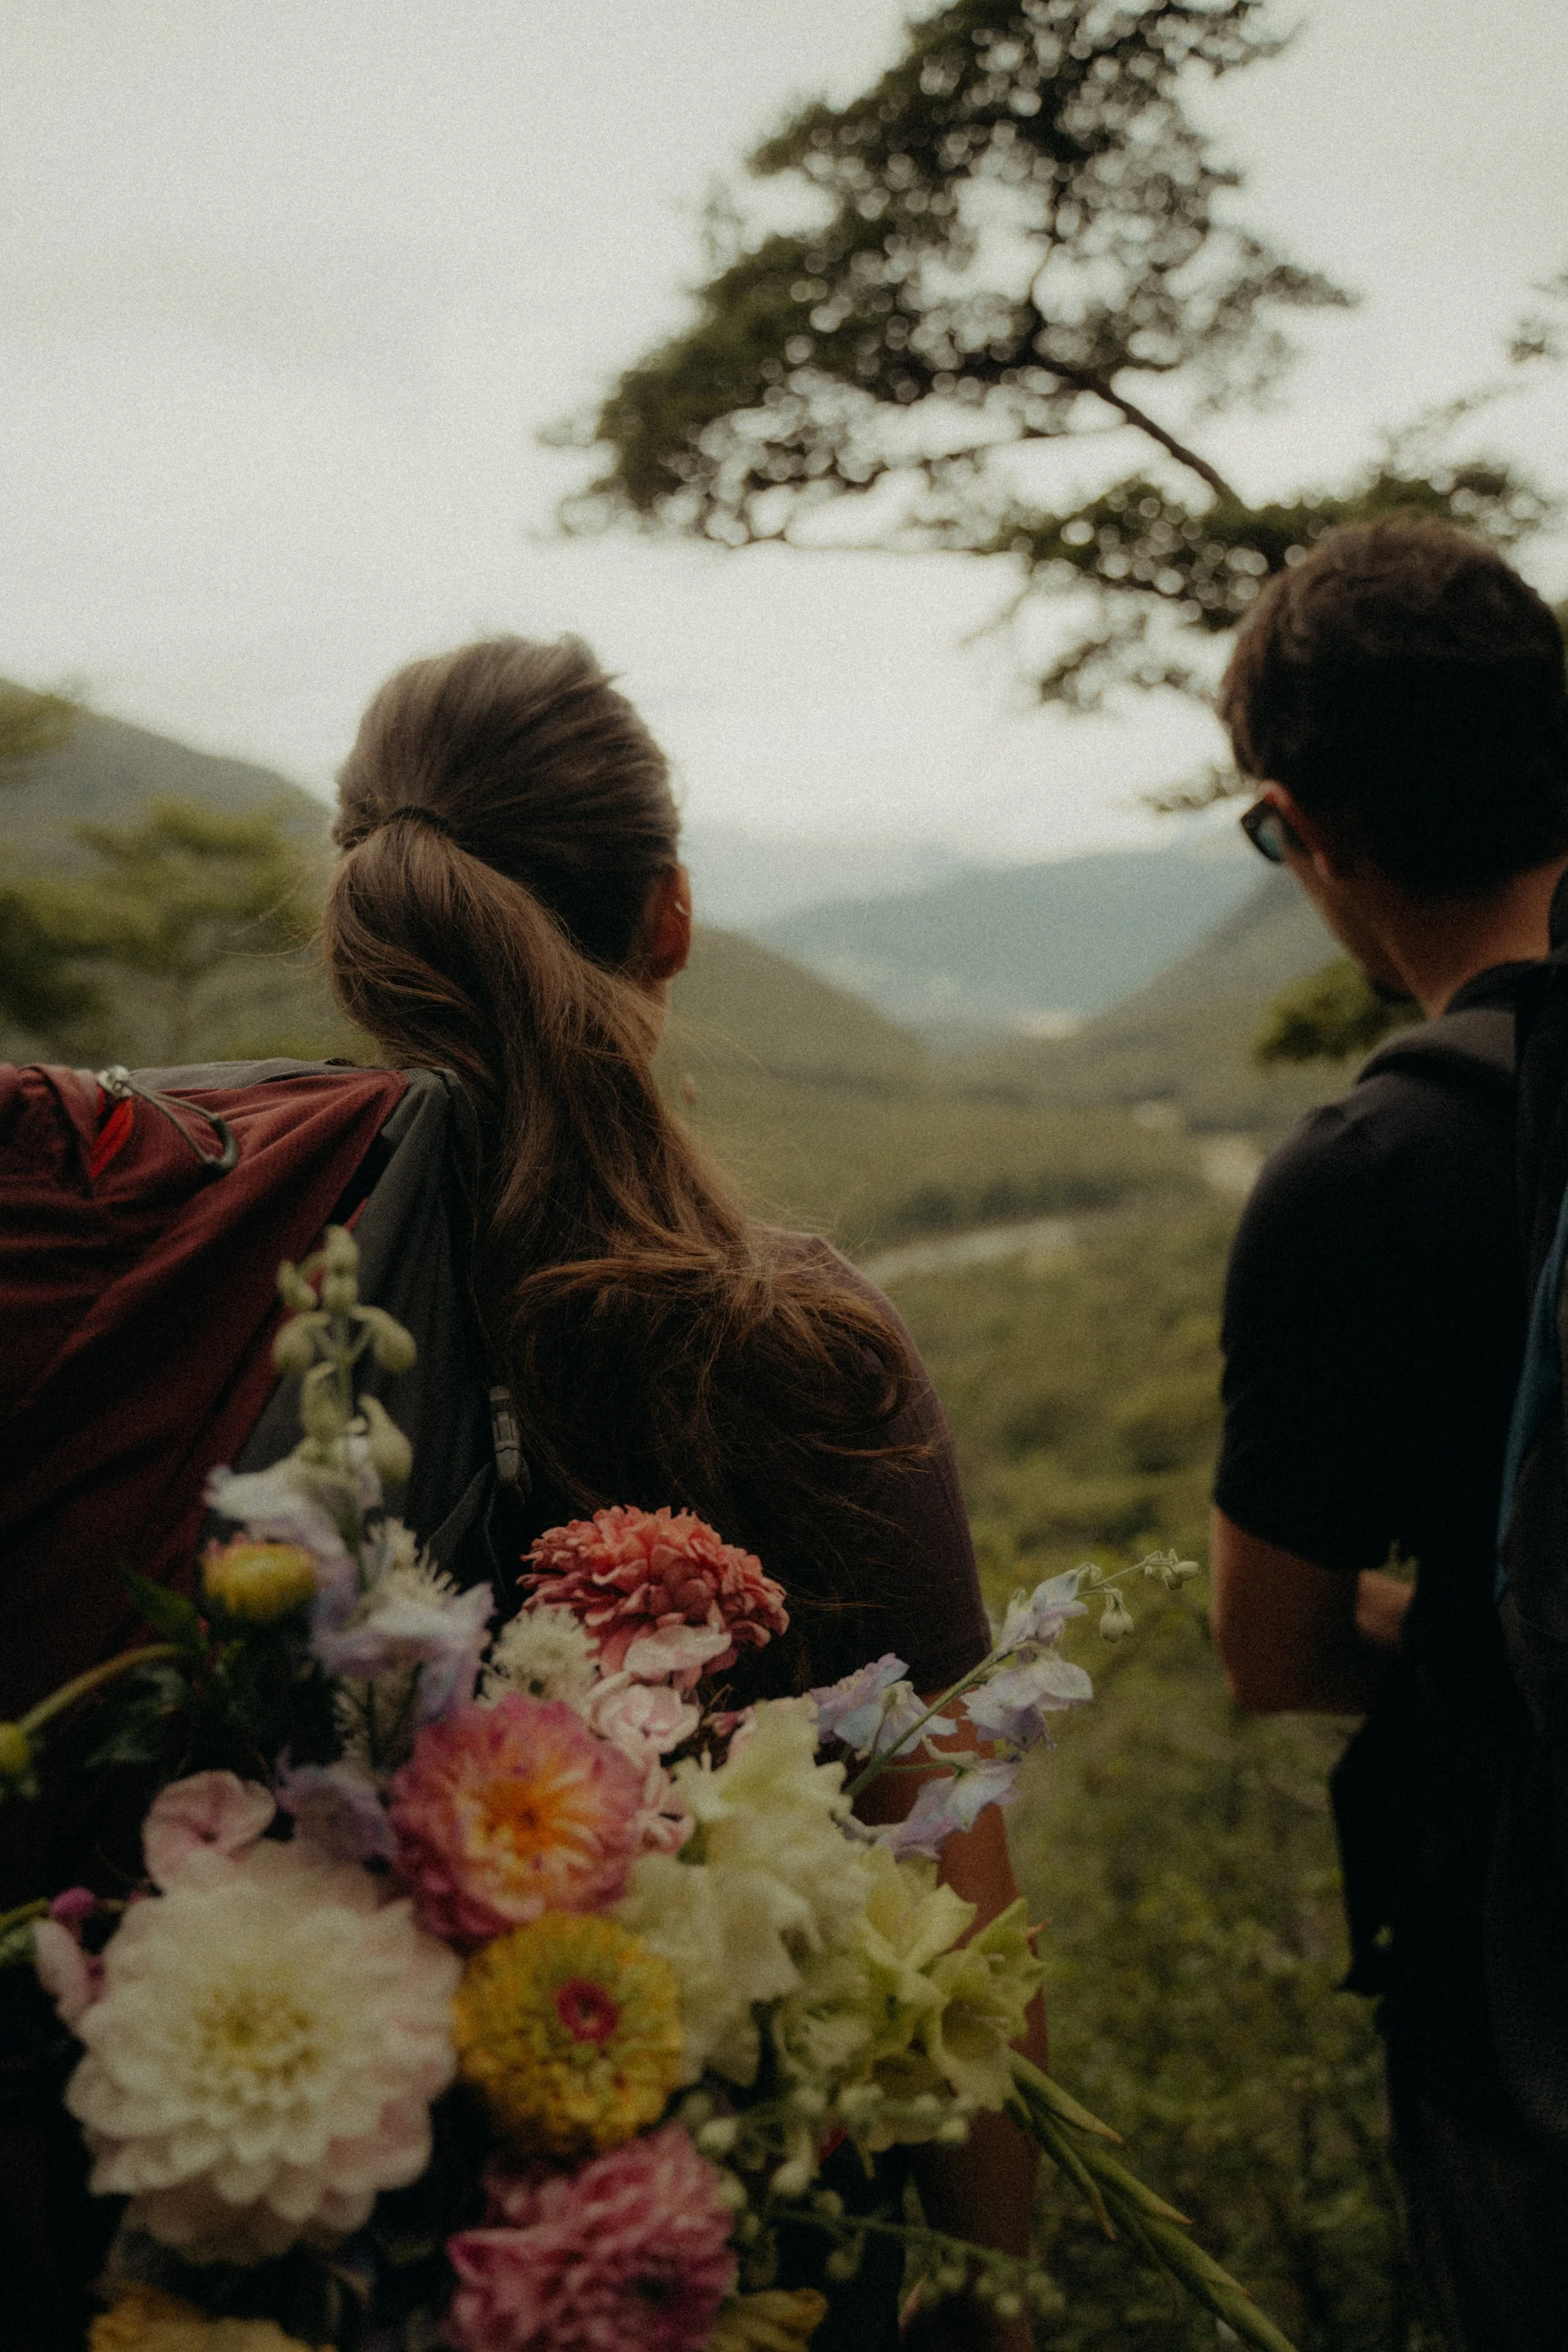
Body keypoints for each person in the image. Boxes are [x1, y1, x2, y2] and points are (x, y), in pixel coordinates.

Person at [0, 636, 1041, 2351]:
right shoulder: (802, 1345)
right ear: (671, 915)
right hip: (719, 2278)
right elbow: (954, 1906)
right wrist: (998, 2307)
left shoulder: (169, 1235)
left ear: (360, 931)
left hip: (223, 2279)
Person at [1207, 514, 1568, 2348]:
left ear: (1308, 827)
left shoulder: (1363, 1173)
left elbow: (1268, 1648)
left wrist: (1475, 1635)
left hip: (1524, 2003)